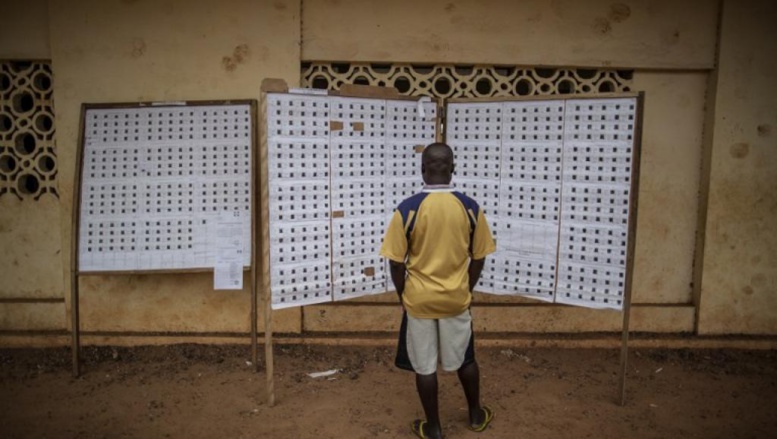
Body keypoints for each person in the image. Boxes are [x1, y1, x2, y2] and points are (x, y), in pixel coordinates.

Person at [380, 142, 496, 439]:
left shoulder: (407, 209)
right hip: (457, 300)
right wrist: (465, 290)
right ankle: (475, 415)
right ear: (453, 168)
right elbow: (479, 255)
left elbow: (395, 262)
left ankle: (433, 428)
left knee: (425, 366)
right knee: (466, 359)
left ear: (422, 169)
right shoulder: (470, 207)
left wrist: (403, 296)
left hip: (419, 301)